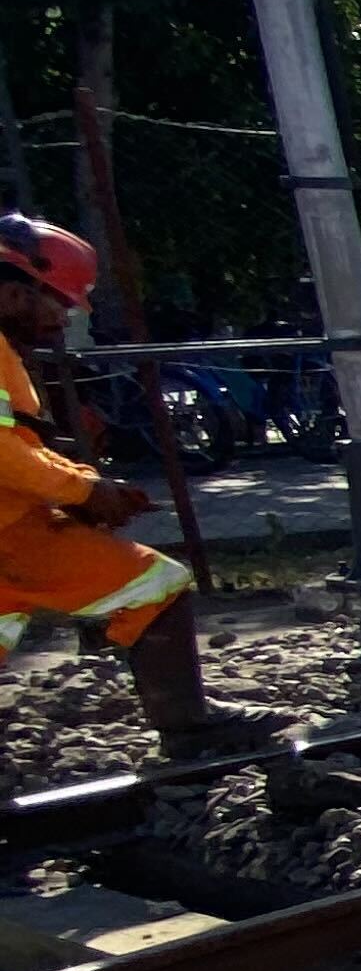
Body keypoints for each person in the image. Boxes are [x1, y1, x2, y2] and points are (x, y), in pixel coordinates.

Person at [0, 217, 275, 763]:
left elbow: (19, 445)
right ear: (13, 289)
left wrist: (84, 486)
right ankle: (190, 728)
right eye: (58, 301)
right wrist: (81, 493)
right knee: (157, 585)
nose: (64, 316)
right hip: (10, 532)